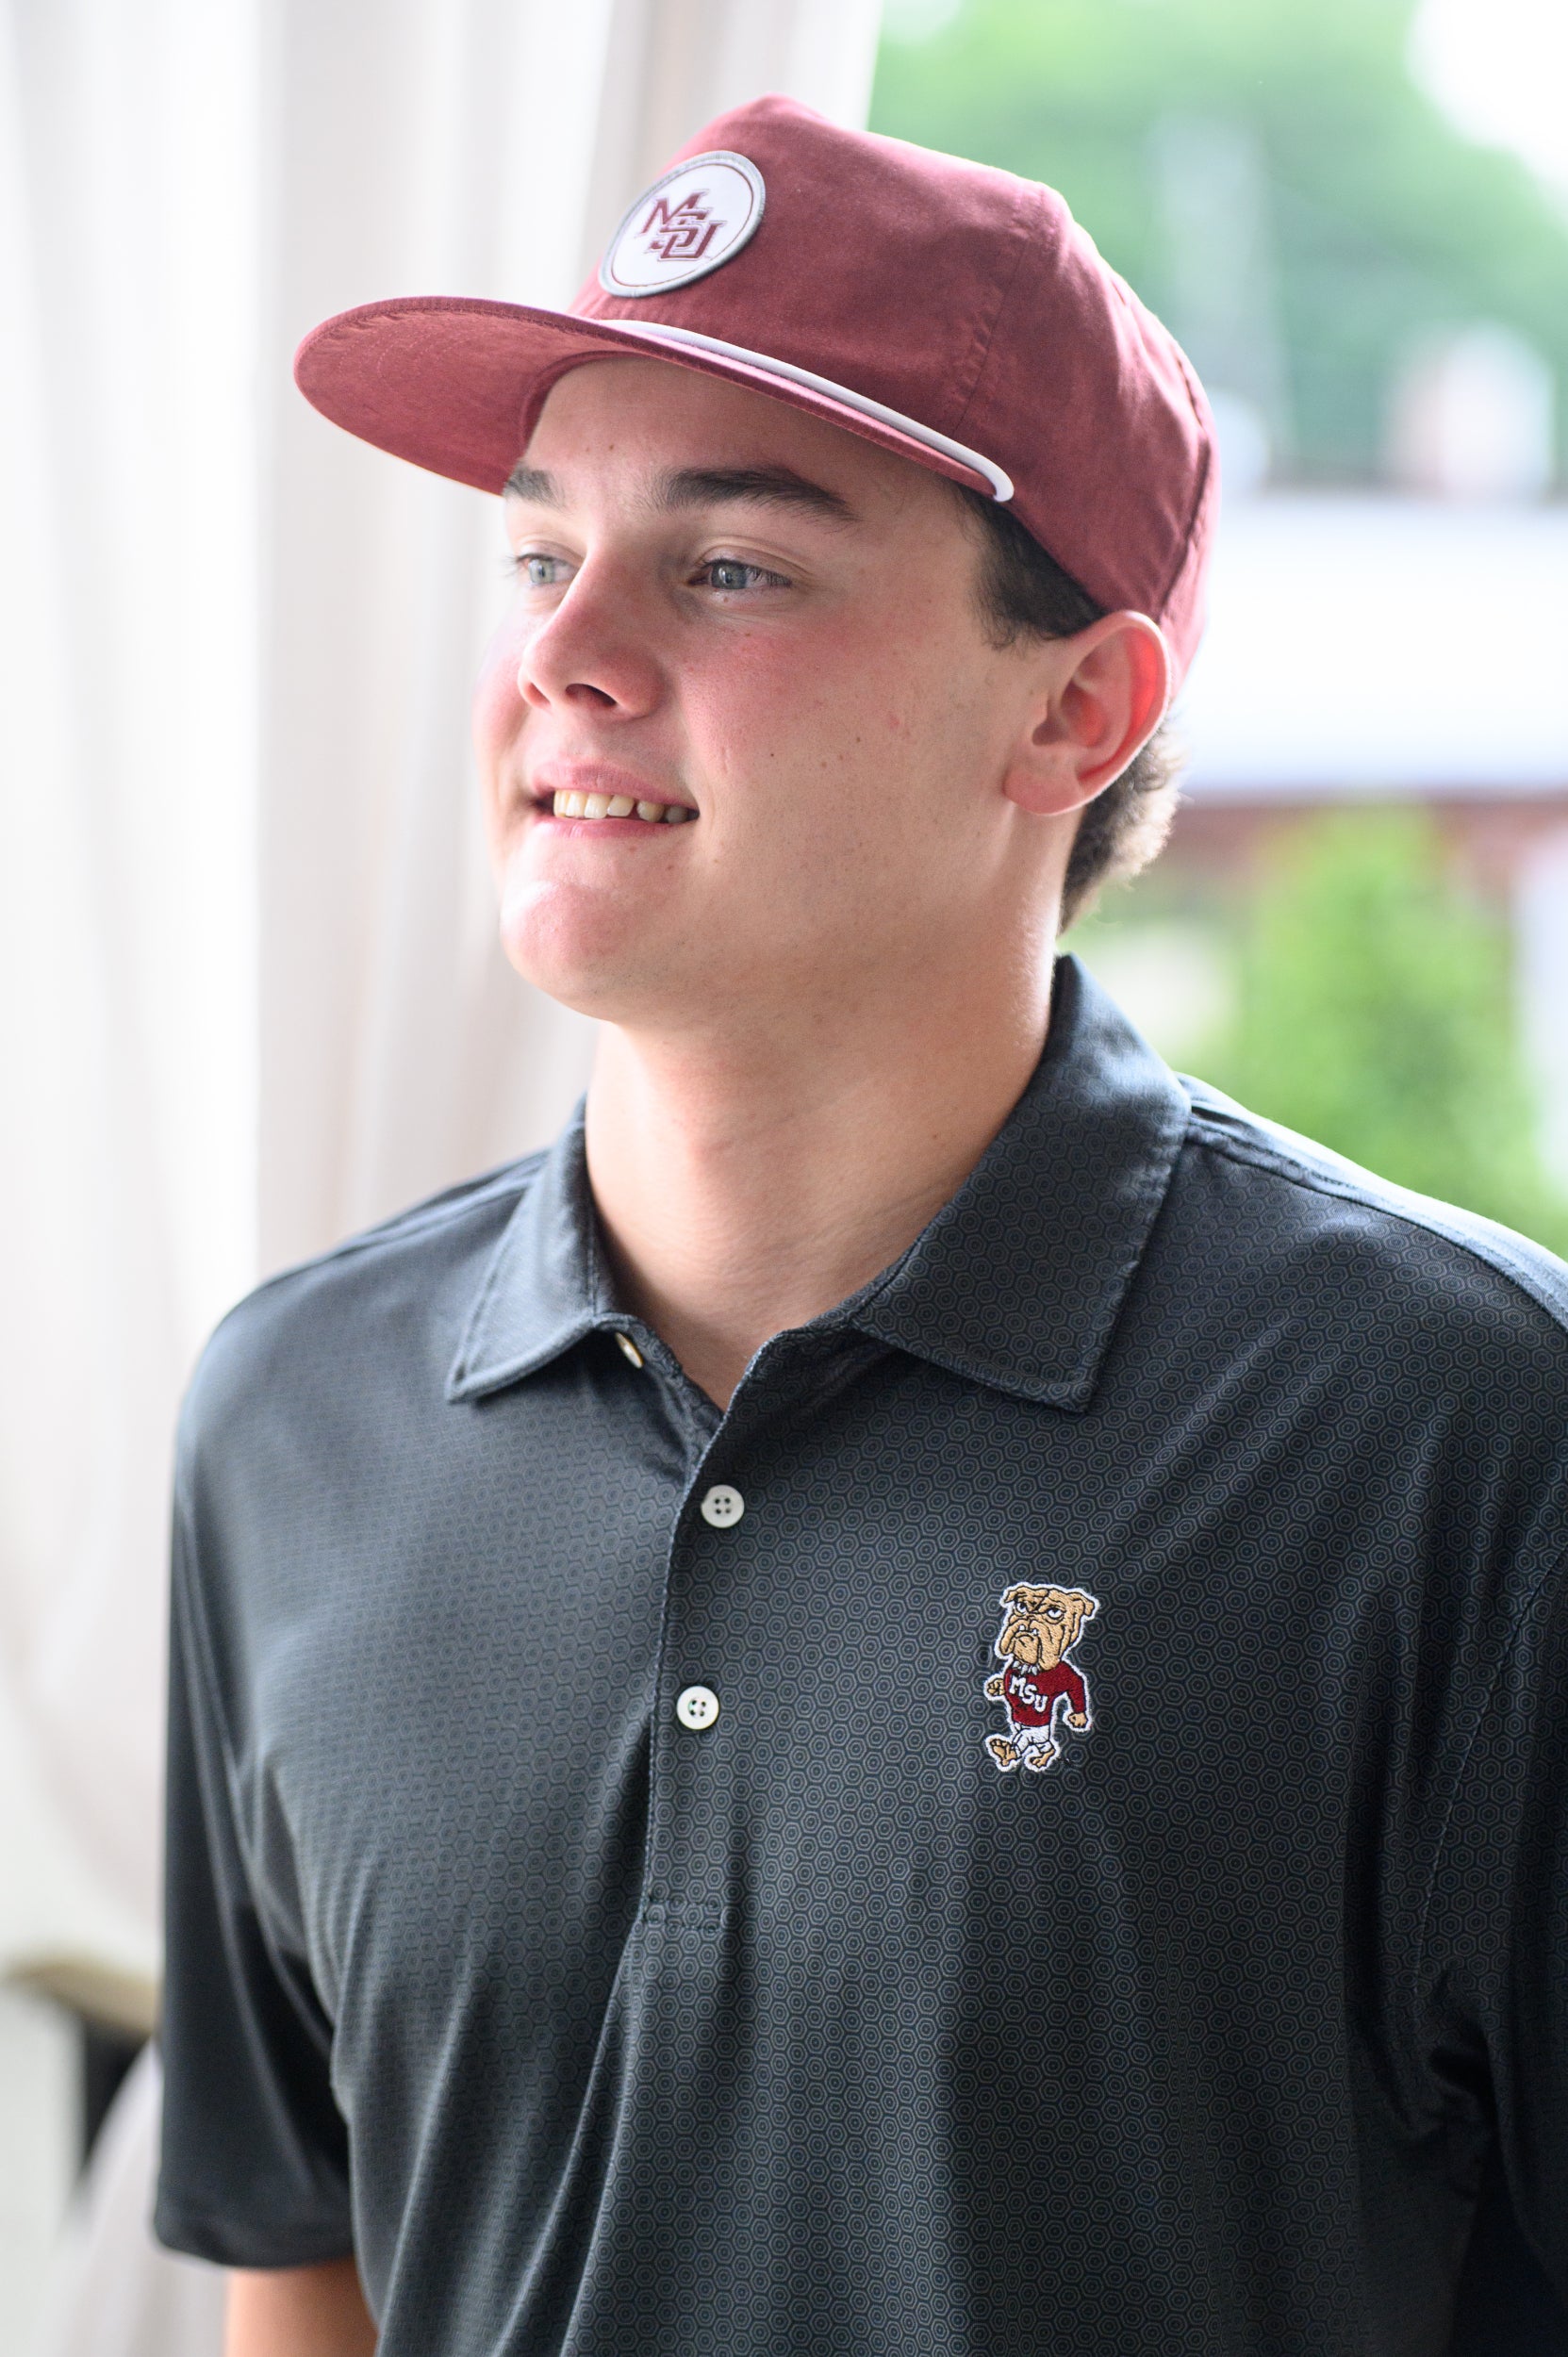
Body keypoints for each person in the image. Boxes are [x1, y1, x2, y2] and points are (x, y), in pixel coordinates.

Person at [155, 96, 1568, 2357]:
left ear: (1074, 708)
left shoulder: (1466, 1437)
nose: (567, 654)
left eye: (730, 566)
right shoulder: (288, 1416)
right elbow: (303, 2262)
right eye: (538, 555)